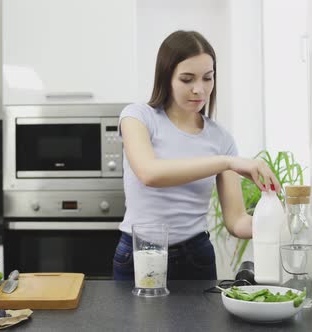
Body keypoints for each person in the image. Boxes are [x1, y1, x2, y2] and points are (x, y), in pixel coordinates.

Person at [113, 30, 281, 281]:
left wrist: (278, 220)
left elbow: (236, 221)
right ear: (166, 77)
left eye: (207, 78)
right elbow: (150, 173)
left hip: (196, 256)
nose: (199, 90)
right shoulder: (138, 117)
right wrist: (227, 162)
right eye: (187, 79)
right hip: (139, 255)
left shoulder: (220, 138)